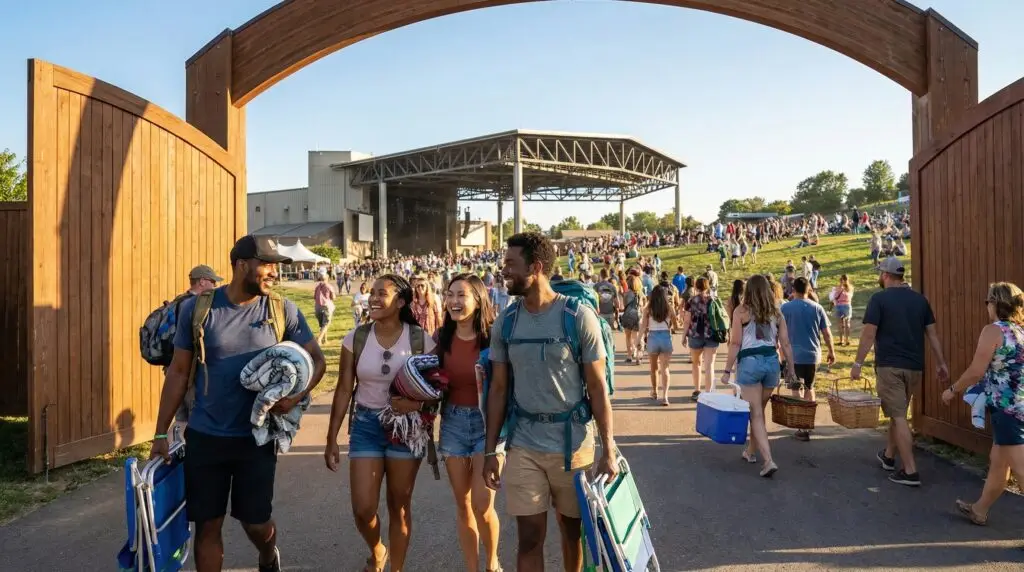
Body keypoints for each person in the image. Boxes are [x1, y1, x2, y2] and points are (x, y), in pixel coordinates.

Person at [151, 235, 326, 572]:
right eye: (266, 264)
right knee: (207, 524)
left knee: (256, 523)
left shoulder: (281, 310)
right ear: (241, 265)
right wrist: (161, 434)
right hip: (205, 437)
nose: (274, 273)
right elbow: (178, 372)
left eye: (277, 266)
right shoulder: (198, 309)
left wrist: (295, 398)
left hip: (256, 438)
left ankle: (267, 554)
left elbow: (318, 361)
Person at [483, 232, 616, 572]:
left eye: (511, 264)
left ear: (536, 267)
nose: (504, 271)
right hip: (524, 443)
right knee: (529, 538)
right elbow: (497, 389)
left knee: (571, 533)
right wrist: (489, 451)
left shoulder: (577, 317)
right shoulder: (506, 321)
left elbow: (597, 387)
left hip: (573, 445)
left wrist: (609, 449)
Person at [325, 274, 436, 572]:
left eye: (381, 293)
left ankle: (396, 569)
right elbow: (344, 388)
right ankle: (377, 550)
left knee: (399, 506)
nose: (372, 298)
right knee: (363, 509)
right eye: (371, 292)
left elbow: (437, 390)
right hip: (366, 426)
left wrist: (418, 404)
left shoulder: (420, 340)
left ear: (400, 302)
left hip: (406, 428)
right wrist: (331, 437)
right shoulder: (355, 338)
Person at [852, 257, 949, 487]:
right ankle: (888, 456)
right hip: (915, 367)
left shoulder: (879, 299)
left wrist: (857, 363)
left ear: (885, 275)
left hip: (889, 367)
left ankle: (910, 471)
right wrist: (941, 363)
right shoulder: (920, 301)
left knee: (898, 416)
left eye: (880, 274)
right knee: (900, 414)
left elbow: (868, 334)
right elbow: (932, 335)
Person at [435, 273, 504, 572]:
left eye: (461, 295)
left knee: (482, 505)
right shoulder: (441, 338)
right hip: (452, 424)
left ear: (478, 299)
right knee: (463, 505)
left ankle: (492, 564)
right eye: (450, 294)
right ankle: (473, 568)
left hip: (487, 426)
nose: (453, 301)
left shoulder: (493, 337)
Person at [942, 282, 1024, 525]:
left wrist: (952, 390)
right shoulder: (1020, 331)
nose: (986, 306)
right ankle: (980, 509)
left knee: (1020, 468)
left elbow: (976, 371)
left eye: (987, 301)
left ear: (996, 303)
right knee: (999, 462)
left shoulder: (993, 331)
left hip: (1008, 410)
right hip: (1018, 405)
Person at [720, 274, 796, 478]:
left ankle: (768, 460)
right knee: (759, 412)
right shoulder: (777, 313)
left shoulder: (741, 311)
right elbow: (786, 344)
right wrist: (792, 369)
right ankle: (750, 452)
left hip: (750, 362)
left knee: (755, 414)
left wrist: (727, 371)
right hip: (771, 362)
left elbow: (735, 343)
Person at [780, 277, 836, 441]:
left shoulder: (786, 308)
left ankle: (799, 424)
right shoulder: (817, 308)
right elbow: (826, 333)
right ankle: (807, 423)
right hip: (812, 355)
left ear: (793, 290)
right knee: (810, 388)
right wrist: (831, 351)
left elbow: (779, 333)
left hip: (793, 355)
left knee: (796, 389)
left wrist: (780, 353)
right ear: (809, 289)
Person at [641, 284, 679, 405]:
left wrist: (638, 340)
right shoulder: (669, 308)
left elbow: (643, 326)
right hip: (665, 338)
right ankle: (665, 396)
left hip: (652, 338)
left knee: (654, 368)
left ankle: (654, 391)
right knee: (665, 369)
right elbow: (676, 325)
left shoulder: (648, 309)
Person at [313, 273, 336, 346]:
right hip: (326, 306)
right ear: (327, 278)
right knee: (326, 324)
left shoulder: (317, 287)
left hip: (317, 307)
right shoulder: (329, 286)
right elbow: (333, 297)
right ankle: (319, 339)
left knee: (322, 325)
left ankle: (325, 340)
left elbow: (314, 297)